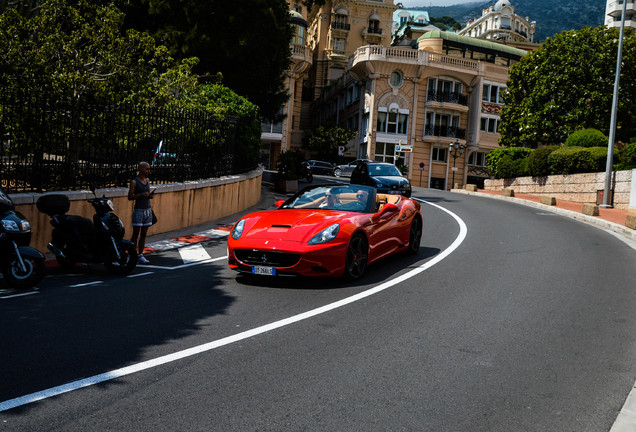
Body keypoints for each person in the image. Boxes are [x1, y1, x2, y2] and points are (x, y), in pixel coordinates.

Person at [128, 161, 154, 264]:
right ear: (141, 169)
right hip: (138, 210)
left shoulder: (147, 180)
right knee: (135, 234)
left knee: (144, 234)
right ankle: (132, 254)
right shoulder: (134, 182)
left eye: (149, 169)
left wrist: (149, 196)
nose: (148, 171)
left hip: (148, 209)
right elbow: (130, 197)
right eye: (147, 169)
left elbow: (147, 194)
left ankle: (140, 254)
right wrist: (141, 195)